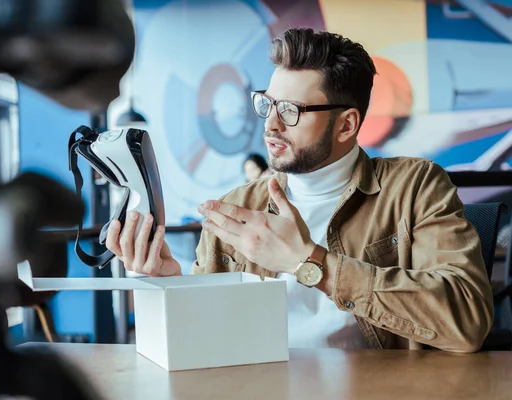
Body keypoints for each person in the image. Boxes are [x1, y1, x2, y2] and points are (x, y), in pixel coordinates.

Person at [105, 28, 493, 353]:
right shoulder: (236, 208)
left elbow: (467, 322)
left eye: (290, 110)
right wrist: (170, 284)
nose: (271, 125)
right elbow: (206, 344)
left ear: (346, 125)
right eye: (268, 104)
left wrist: (309, 262)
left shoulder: (414, 186)